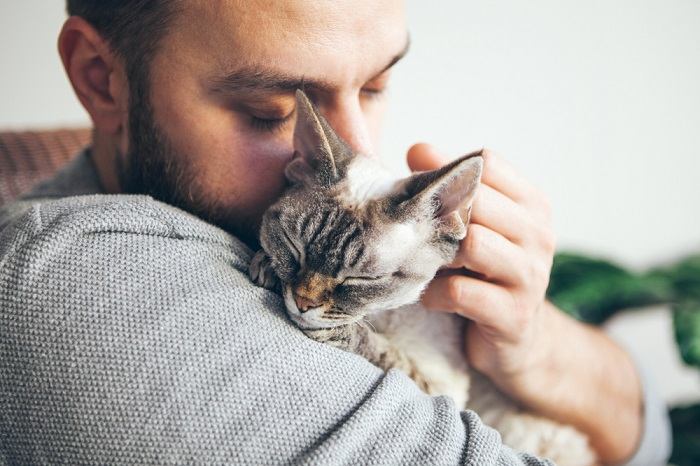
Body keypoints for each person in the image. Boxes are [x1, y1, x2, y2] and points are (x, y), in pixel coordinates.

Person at [0, 1, 670, 464]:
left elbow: (650, 437)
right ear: (100, 78)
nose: (355, 149)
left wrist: (532, 345)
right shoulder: (82, 287)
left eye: (377, 85)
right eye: (273, 112)